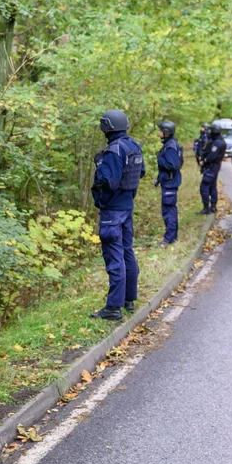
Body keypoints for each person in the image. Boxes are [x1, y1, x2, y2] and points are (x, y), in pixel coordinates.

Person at [89, 109, 144, 321]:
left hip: (112, 210)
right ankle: (128, 300)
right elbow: (141, 172)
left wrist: (100, 163)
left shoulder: (113, 151)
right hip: (127, 208)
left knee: (115, 256)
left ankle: (113, 308)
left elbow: (109, 181)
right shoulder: (133, 146)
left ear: (107, 127)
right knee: (127, 251)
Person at [155, 120, 182, 247]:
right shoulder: (170, 144)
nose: (159, 132)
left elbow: (172, 165)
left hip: (170, 183)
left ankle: (169, 238)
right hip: (168, 181)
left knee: (168, 210)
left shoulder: (170, 146)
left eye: (161, 130)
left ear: (166, 132)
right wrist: (158, 178)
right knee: (169, 209)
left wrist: (160, 159)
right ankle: (172, 236)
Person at [198, 123, 227, 214]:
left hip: (211, 166)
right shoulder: (217, 141)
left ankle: (206, 207)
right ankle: (213, 206)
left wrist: (204, 161)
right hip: (213, 166)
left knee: (204, 187)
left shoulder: (218, 143)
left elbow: (212, 155)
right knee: (212, 186)